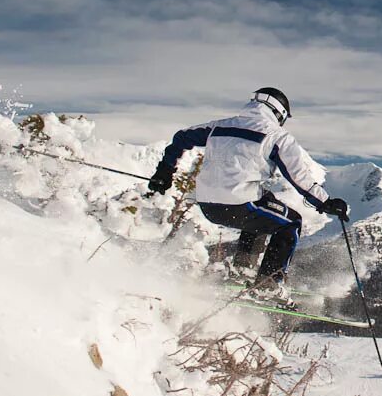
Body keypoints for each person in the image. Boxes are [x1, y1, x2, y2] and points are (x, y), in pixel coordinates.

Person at [148, 87, 349, 306]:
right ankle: (269, 284)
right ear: (279, 113)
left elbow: (181, 137)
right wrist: (326, 202)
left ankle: (242, 270)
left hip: (207, 204)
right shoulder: (277, 136)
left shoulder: (219, 126)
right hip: (240, 204)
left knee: (265, 209)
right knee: (290, 223)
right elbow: (298, 177)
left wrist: (164, 172)